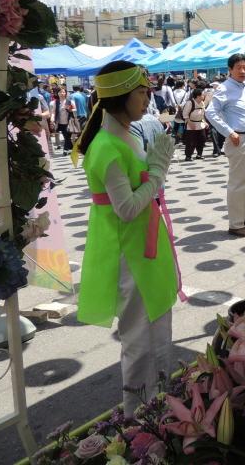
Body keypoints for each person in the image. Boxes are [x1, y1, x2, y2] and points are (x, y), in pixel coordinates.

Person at [76, 60, 183, 415]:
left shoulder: (127, 135)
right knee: (139, 341)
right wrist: (158, 172)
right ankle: (139, 420)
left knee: (158, 332)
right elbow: (126, 209)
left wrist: (154, 170)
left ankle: (162, 406)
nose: (148, 98)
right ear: (121, 95)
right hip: (130, 254)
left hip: (146, 248)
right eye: (142, 92)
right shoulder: (106, 145)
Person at [205, 53, 245, 237]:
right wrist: (229, 132)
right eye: (238, 67)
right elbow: (210, 113)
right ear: (229, 70)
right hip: (239, 139)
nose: (243, 71)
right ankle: (236, 224)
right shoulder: (225, 88)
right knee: (238, 183)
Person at [182, 88, 209, 161]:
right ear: (197, 96)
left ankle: (199, 154)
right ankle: (188, 156)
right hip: (191, 124)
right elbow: (185, 115)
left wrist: (205, 122)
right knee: (191, 141)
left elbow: (202, 113)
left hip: (200, 124)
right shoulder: (190, 103)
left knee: (202, 139)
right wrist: (190, 123)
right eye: (202, 95)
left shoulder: (202, 103)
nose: (203, 97)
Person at [50, 87, 76, 156]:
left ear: (66, 93)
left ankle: (65, 149)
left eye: (63, 92)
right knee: (65, 136)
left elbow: (75, 109)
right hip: (60, 122)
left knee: (67, 136)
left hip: (69, 121)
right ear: (58, 93)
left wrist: (71, 109)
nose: (62, 93)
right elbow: (53, 112)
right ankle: (70, 147)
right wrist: (52, 118)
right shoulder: (55, 102)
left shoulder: (70, 101)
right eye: (60, 92)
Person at [171, 80, 188, 145]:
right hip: (183, 110)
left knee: (176, 125)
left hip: (175, 111)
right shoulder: (185, 93)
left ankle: (174, 140)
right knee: (184, 125)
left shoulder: (173, 92)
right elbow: (186, 102)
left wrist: (176, 106)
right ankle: (185, 140)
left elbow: (171, 102)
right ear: (183, 85)